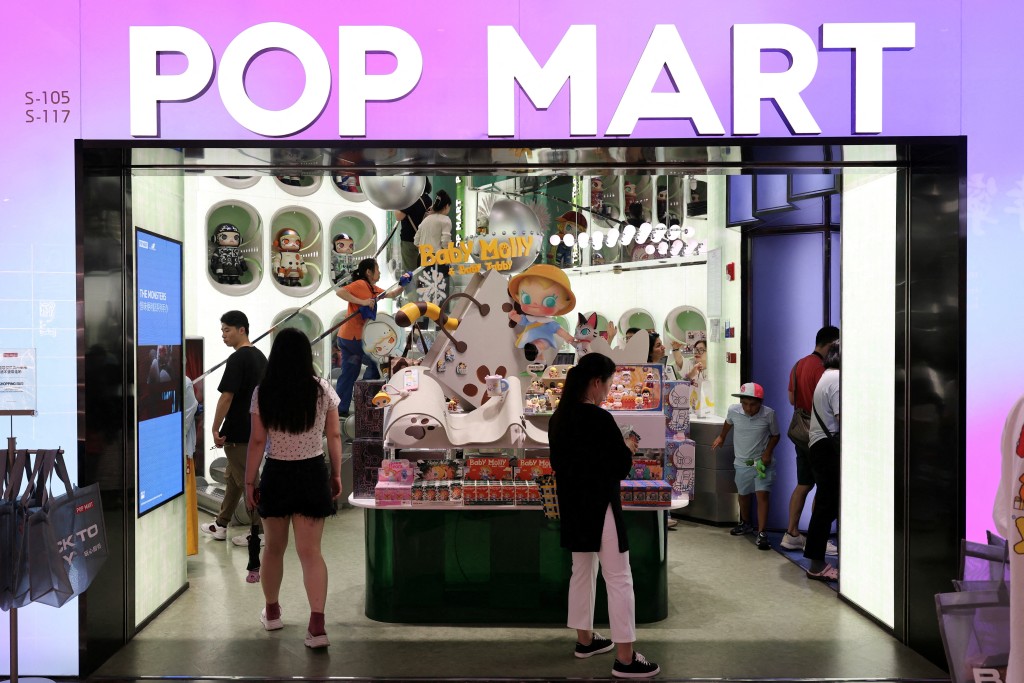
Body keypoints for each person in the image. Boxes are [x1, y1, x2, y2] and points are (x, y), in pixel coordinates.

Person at [549, 352, 661, 679]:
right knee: (619, 577)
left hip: (573, 506)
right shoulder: (599, 419)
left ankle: (585, 640)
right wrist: (627, 447)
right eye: (609, 384)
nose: (608, 391)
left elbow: (560, 464)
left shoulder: (559, 418)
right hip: (601, 506)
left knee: (582, 572)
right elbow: (619, 465)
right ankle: (625, 658)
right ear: (596, 382)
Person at [244, 328, 343, 649]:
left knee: (273, 548)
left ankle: (272, 613)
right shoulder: (323, 390)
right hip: (312, 472)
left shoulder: (263, 392)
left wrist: (250, 482)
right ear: (306, 355)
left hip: (277, 473)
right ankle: (317, 627)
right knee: (310, 552)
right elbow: (335, 437)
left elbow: (258, 440)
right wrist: (337, 474)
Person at [201, 310, 268, 546]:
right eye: (222, 330)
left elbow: (226, 397)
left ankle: (258, 532)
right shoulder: (261, 357)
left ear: (242, 330)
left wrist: (214, 427)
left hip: (238, 431)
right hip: (256, 428)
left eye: (227, 330)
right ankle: (220, 524)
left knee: (248, 481)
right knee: (234, 478)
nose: (223, 335)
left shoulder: (238, 358)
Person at [781, 325, 840, 551]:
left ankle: (791, 533)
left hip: (800, 433)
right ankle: (820, 540)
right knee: (824, 488)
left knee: (803, 483)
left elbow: (790, 397)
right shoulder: (823, 370)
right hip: (819, 435)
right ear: (832, 344)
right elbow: (826, 403)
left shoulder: (799, 365)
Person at [712, 382, 780, 551]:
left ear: (760, 402)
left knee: (762, 494)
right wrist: (721, 437)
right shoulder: (734, 411)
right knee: (743, 494)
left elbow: (775, 435)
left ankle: (762, 532)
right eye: (745, 404)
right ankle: (746, 523)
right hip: (742, 462)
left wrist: (768, 453)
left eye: (753, 404)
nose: (749, 408)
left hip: (761, 463)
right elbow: (728, 423)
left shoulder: (769, 414)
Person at [334, 258, 400, 417]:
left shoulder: (372, 288)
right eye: (377, 269)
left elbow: (390, 294)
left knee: (349, 372)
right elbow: (340, 291)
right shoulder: (360, 284)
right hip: (354, 338)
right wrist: (362, 302)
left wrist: (404, 283)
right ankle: (366, 401)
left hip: (348, 338)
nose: (380, 272)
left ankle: (340, 409)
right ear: (368, 272)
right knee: (376, 362)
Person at [804, 341, 841, 581]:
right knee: (827, 506)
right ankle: (816, 564)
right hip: (829, 447)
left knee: (825, 504)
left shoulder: (826, 375)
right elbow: (842, 417)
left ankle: (817, 560)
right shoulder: (837, 378)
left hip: (819, 446)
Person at [396, 178, 432, 271]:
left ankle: (411, 286)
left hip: (409, 240)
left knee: (410, 271)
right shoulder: (428, 199)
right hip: (425, 240)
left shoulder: (411, 199)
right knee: (424, 270)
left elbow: (399, 216)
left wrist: (396, 203)